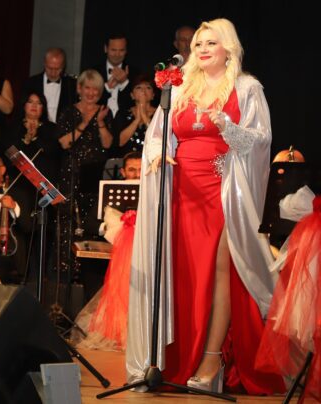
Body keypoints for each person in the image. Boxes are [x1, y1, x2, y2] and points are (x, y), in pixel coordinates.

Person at [125, 18, 285, 395]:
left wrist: (228, 127)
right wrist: (157, 154)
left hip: (225, 189)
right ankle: (176, 357)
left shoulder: (246, 88)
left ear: (228, 47)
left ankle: (212, 359)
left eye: (210, 42)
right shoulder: (181, 87)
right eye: (198, 43)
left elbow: (260, 141)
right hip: (182, 191)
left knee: (221, 271)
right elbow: (157, 134)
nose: (202, 48)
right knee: (186, 274)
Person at [72, 152, 141, 351]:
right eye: (132, 170)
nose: (136, 174)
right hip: (111, 255)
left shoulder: (153, 194)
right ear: (123, 172)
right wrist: (110, 228)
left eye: (140, 170)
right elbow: (90, 224)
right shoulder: (111, 192)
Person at [56, 69, 113, 275]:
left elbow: (108, 144)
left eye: (95, 89)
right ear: (79, 89)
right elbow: (64, 143)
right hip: (70, 173)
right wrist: (85, 122)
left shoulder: (105, 112)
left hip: (94, 176)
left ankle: (88, 273)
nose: (91, 93)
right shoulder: (68, 112)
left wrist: (99, 123)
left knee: (91, 221)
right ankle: (65, 270)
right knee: (68, 221)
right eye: (87, 88)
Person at [0, 156, 31, 284]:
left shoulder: (18, 193)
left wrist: (14, 206)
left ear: (2, 170)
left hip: (9, 256)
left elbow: (28, 226)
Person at [21, 48, 77, 123]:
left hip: (62, 128)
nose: (53, 73)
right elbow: (22, 110)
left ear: (63, 66)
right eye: (50, 68)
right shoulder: (30, 83)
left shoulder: (71, 85)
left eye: (57, 69)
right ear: (44, 64)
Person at [112, 74, 156, 157]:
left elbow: (158, 138)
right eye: (138, 87)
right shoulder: (123, 113)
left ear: (153, 95)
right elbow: (120, 142)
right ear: (132, 95)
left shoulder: (160, 113)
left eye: (148, 87)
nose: (143, 90)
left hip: (152, 159)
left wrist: (144, 115)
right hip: (128, 160)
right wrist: (137, 120)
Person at [94, 33, 135, 117]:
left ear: (126, 51)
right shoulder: (94, 72)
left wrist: (125, 83)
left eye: (121, 50)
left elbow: (137, 102)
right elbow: (88, 101)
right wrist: (107, 88)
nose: (117, 54)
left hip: (126, 122)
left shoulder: (135, 73)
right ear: (106, 49)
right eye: (113, 50)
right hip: (97, 120)